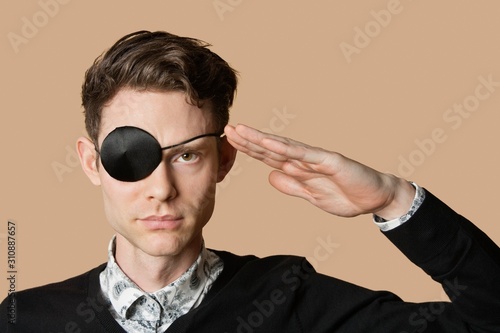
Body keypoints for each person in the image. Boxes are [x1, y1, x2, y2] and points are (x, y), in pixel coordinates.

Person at [1, 30, 499, 333]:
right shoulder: (24, 319)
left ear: (223, 160)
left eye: (188, 155)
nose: (161, 188)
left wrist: (393, 200)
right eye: (130, 157)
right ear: (91, 163)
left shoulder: (291, 302)